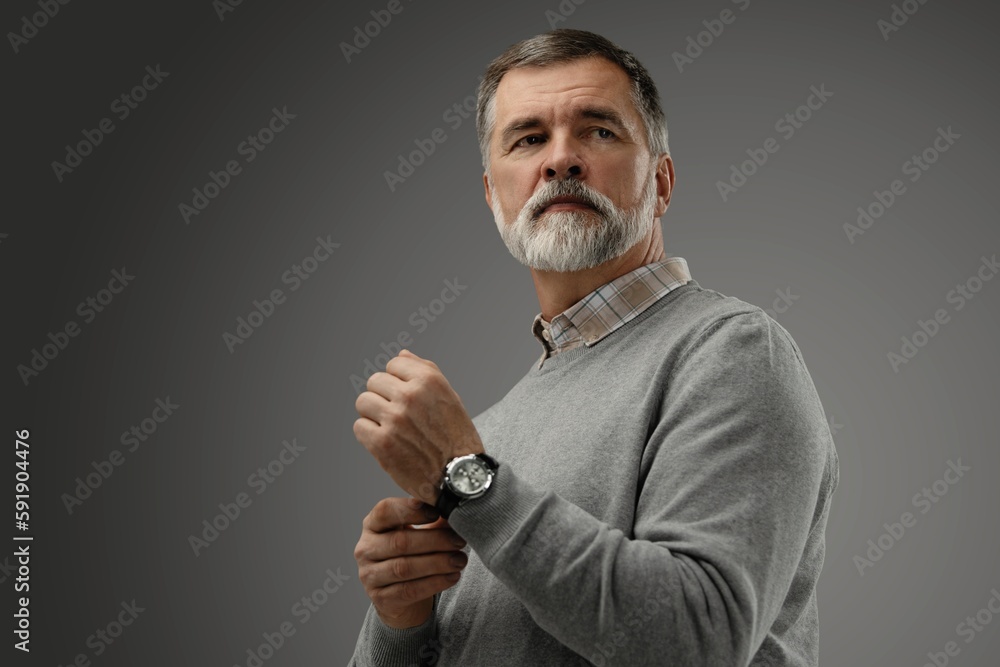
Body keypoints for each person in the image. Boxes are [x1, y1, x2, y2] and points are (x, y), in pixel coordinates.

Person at [349, 28, 839, 666]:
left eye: (599, 131)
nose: (560, 160)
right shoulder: (488, 431)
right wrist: (400, 618)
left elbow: (697, 643)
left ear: (661, 183)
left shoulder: (734, 352)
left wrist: (465, 479)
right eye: (528, 139)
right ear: (493, 193)